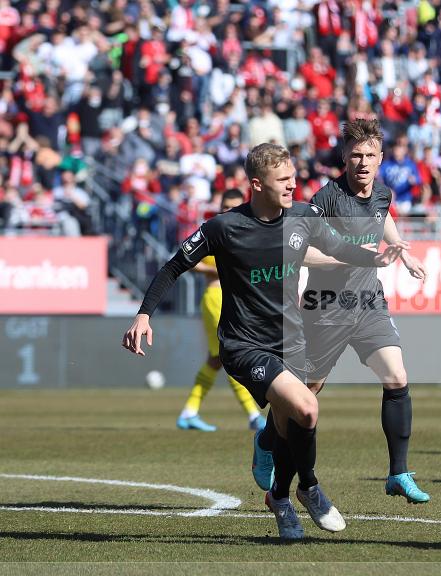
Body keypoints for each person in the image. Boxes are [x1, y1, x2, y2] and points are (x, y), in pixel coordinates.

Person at [122, 143, 406, 540]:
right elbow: (174, 266)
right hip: (244, 345)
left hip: (291, 340)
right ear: (257, 185)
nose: (293, 185)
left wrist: (374, 258)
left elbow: (338, 247)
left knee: (294, 422)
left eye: (293, 177)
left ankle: (281, 499)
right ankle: (309, 488)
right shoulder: (224, 227)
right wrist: (143, 314)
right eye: (284, 180)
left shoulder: (302, 218)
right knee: (306, 408)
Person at [253, 119, 431, 504]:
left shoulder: (382, 194)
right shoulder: (327, 199)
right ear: (344, 158)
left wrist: (401, 248)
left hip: (368, 304)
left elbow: (383, 220)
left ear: (381, 158)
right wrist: (348, 258)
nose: (363, 162)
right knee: (305, 394)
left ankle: (398, 473)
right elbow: (300, 250)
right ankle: (267, 441)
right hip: (326, 310)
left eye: (370, 155)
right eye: (356, 155)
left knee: (396, 376)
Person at [177, 189, 266, 432]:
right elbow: (189, 260)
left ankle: (189, 412)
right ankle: (253, 416)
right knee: (231, 356)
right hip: (217, 297)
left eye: (234, 206)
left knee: (215, 359)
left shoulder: (247, 231)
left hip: (236, 298)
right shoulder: (215, 230)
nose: (228, 210)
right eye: (225, 206)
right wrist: (221, 269)